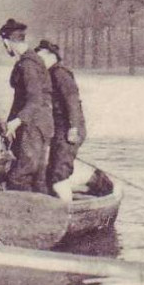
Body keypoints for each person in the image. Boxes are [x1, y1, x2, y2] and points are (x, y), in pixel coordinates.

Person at [0, 18, 54, 194]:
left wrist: (16, 122)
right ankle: (43, 214)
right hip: (36, 125)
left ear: (7, 42)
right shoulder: (28, 61)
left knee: (20, 176)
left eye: (3, 43)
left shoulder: (28, 64)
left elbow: (35, 99)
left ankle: (20, 217)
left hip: (34, 128)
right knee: (37, 176)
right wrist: (10, 122)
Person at [37, 39, 87, 201]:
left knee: (58, 179)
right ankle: (57, 207)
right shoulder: (50, 74)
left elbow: (72, 101)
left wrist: (73, 128)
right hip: (60, 130)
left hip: (69, 130)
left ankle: (67, 212)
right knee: (52, 174)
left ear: (51, 56)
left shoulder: (60, 73)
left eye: (41, 57)